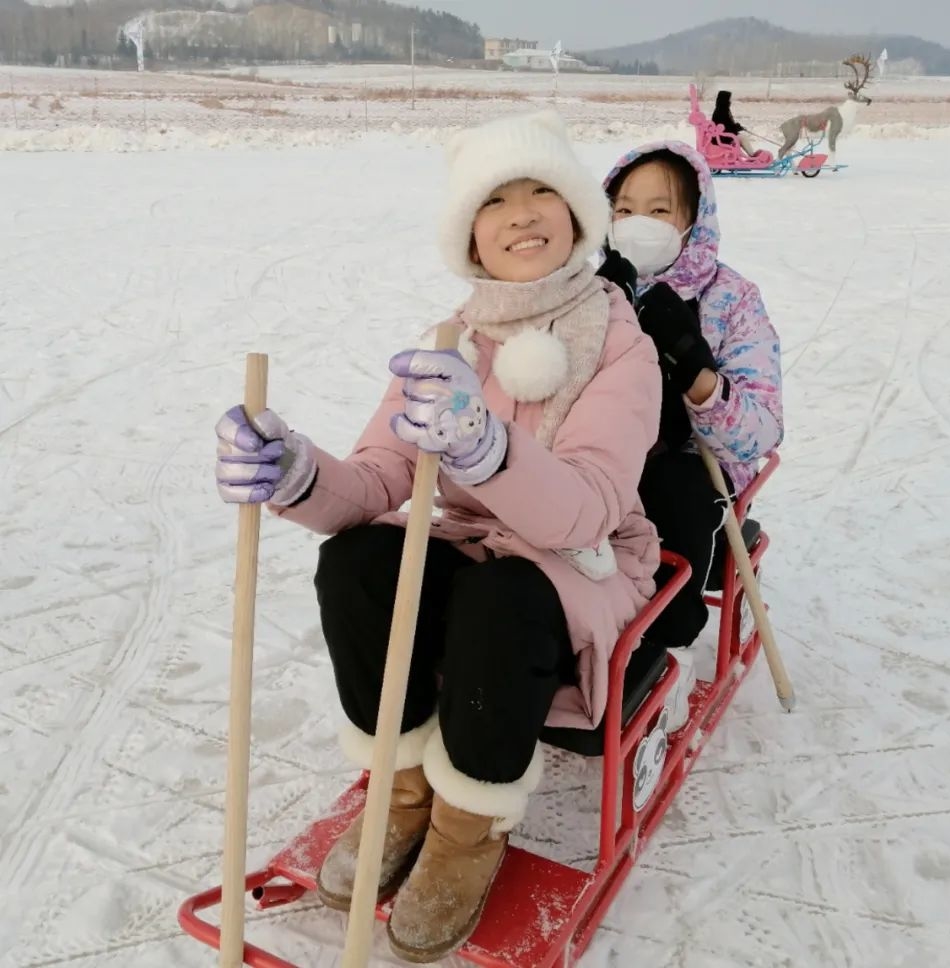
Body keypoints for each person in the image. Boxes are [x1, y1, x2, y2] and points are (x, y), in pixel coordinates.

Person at [213, 110, 661, 963]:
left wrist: (491, 451)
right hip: (467, 543)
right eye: (496, 201)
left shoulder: (618, 344)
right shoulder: (451, 344)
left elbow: (592, 506)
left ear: (575, 216)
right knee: (356, 561)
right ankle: (404, 788)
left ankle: (468, 825)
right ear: (471, 236)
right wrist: (297, 474)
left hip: (578, 567)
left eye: (542, 193)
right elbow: (382, 479)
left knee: (501, 599)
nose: (522, 214)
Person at [597, 140, 783, 656]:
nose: (639, 223)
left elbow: (762, 431)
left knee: (674, 485)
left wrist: (695, 370)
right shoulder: (590, 289)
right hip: (600, 457)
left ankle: (659, 643)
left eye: (659, 211)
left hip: (689, 470)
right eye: (625, 209)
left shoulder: (733, 299)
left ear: (693, 220)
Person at [711, 89, 757, 156]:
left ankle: (749, 156)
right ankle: (752, 156)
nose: (730, 101)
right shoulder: (721, 111)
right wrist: (736, 128)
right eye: (729, 99)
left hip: (723, 135)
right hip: (723, 137)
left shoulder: (722, 109)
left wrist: (736, 127)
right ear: (725, 99)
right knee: (743, 138)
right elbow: (725, 126)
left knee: (742, 137)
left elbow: (728, 124)